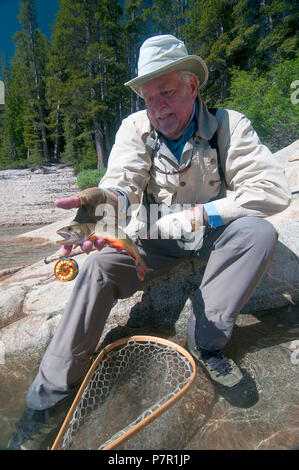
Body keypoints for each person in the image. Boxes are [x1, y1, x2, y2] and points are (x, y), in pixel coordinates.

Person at [8, 35, 291, 450]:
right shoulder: (134, 130)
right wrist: (99, 205)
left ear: (193, 86)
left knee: (259, 232)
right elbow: (121, 187)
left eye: (168, 92)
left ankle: (207, 343)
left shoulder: (231, 124)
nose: (157, 106)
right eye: (148, 97)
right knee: (98, 266)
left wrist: (200, 215)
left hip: (215, 228)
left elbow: (272, 190)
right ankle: (46, 398)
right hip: (154, 234)